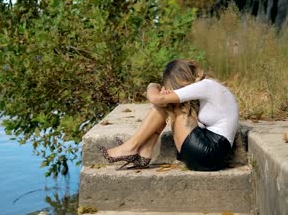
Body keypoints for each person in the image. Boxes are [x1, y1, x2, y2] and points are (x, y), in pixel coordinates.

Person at [99, 59, 239, 171]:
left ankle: (130, 148)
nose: (172, 91)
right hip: (209, 154)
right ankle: (144, 151)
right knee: (169, 104)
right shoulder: (207, 87)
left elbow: (156, 99)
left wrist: (153, 86)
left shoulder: (206, 86)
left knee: (167, 104)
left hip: (208, 153)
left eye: (172, 87)